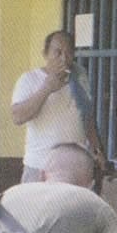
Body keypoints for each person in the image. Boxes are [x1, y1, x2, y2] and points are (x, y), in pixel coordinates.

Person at [11, 30, 107, 185]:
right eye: (58, 52)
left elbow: (87, 119)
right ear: (45, 54)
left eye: (69, 53)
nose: (64, 58)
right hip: (40, 167)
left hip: (74, 170)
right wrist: (47, 88)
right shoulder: (29, 79)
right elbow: (17, 117)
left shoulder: (80, 78)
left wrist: (98, 151)